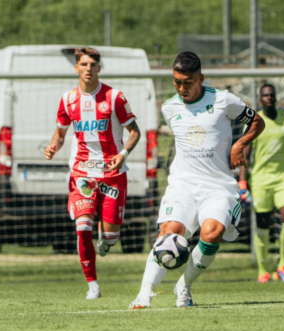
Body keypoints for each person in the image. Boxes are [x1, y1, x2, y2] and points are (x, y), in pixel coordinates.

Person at [129, 52, 265, 309]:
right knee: (169, 234)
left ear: (200, 78)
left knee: (212, 234)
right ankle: (144, 293)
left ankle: (184, 285)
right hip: (183, 184)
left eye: (188, 82)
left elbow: (257, 121)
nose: (182, 88)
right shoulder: (169, 108)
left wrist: (240, 143)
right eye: (177, 82)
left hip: (218, 186)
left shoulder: (224, 100)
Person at [45, 47, 141, 300]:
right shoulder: (68, 100)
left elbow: (135, 132)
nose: (88, 68)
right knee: (83, 226)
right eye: (84, 64)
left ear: (99, 68)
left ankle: (106, 238)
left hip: (112, 173)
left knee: (110, 238)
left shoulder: (115, 97)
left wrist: (123, 155)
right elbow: (61, 133)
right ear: (76, 68)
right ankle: (93, 285)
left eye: (93, 64)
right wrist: (54, 144)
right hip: (82, 173)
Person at [238, 84, 284, 283]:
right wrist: (242, 181)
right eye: (265, 95)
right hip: (260, 179)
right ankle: (262, 270)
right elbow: (245, 154)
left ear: (276, 98)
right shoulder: (254, 121)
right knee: (262, 222)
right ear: (260, 99)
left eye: (272, 95)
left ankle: (283, 264)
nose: (269, 98)